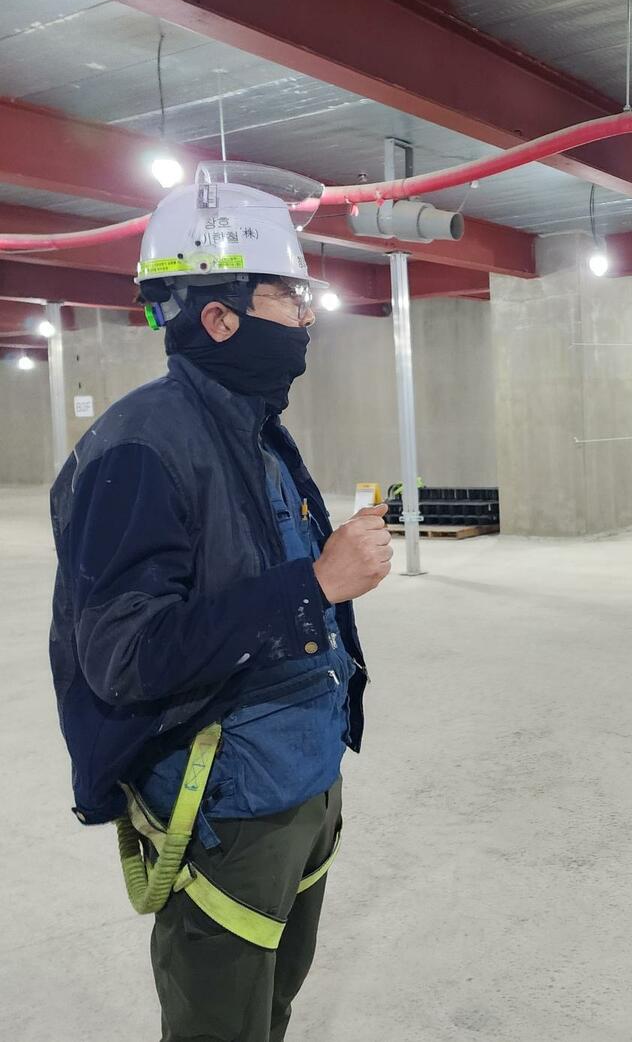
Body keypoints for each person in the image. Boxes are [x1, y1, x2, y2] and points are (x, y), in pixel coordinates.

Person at [48, 178, 394, 1041]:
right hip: (227, 805)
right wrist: (315, 584)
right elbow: (125, 654)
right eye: (289, 296)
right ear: (220, 317)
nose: (306, 318)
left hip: (297, 779)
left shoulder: (252, 429)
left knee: (269, 1009)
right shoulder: (141, 446)